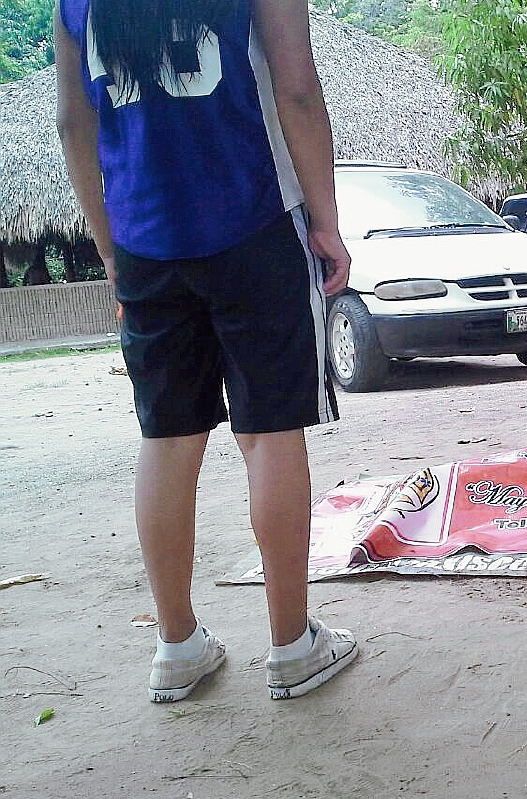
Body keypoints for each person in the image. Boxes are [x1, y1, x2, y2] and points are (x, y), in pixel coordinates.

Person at [55, 0, 358, 701]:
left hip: (143, 239)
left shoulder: (73, 3)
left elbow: (75, 123)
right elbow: (298, 90)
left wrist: (109, 249)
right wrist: (328, 221)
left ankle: (177, 646)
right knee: (271, 430)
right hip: (252, 222)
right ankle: (291, 647)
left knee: (167, 438)